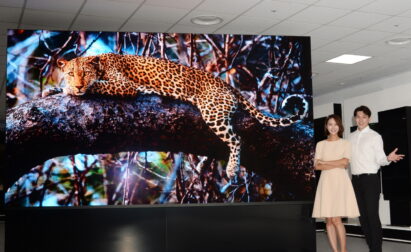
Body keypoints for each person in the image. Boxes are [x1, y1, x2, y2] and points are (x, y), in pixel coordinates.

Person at [349, 105, 404, 252]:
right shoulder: (350, 137)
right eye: (358, 117)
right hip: (355, 180)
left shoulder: (375, 136)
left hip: (370, 180)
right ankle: (371, 246)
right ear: (355, 118)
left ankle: (376, 249)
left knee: (372, 216)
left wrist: (388, 158)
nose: (360, 120)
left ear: (369, 119)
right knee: (362, 217)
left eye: (364, 117)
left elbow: (380, 159)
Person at [312, 114, 360, 252]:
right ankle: (335, 250)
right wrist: (335, 163)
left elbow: (344, 163)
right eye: (330, 124)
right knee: (329, 220)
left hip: (340, 182)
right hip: (326, 182)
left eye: (335, 124)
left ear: (340, 126)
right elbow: (317, 167)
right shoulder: (320, 144)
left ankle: (343, 250)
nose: (333, 127)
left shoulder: (345, 143)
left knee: (337, 220)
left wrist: (325, 162)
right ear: (326, 126)